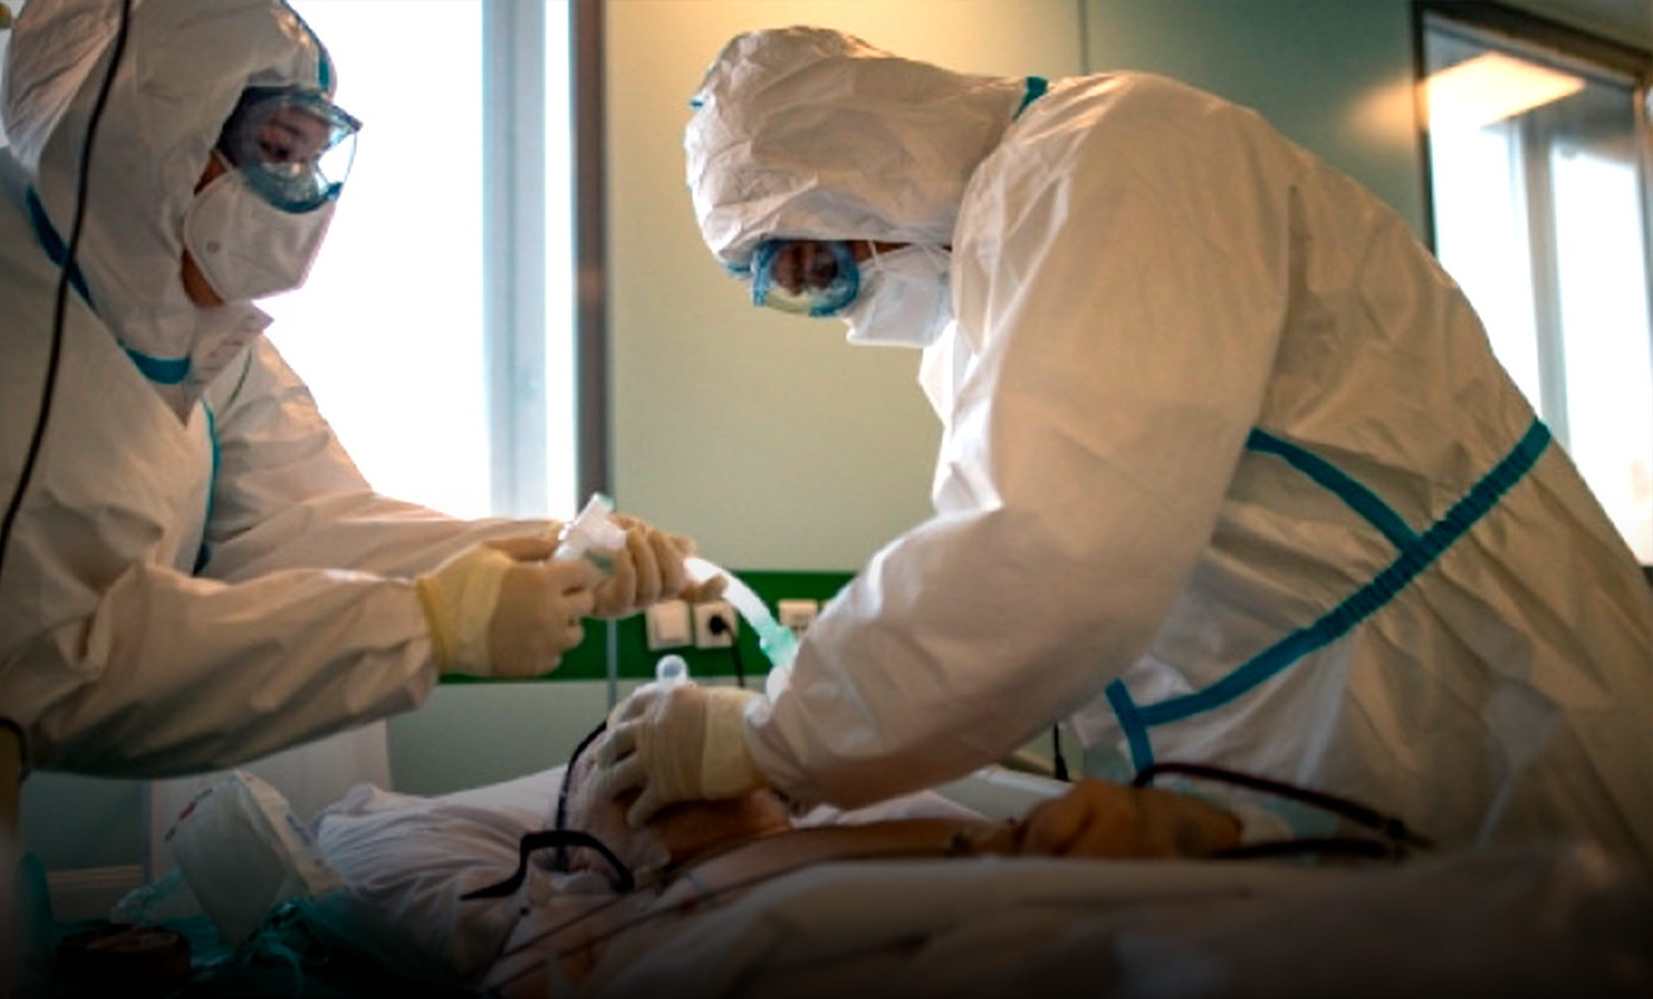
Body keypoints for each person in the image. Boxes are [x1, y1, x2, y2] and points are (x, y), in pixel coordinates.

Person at [597, 27, 1653, 865]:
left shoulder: (1108, 158)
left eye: (813, 263)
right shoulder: (991, 287)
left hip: (1469, 692)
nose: (827, 302)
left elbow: (1053, 544)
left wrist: (772, 739)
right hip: (1300, 745)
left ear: (861, 164)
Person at [0, 0, 705, 787]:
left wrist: (542, 547)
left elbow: (304, 526)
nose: (302, 194)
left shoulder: (199, 345)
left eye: (310, 157)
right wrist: (430, 625)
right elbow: (37, 662)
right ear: (145, 140)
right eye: (274, 150)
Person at [483, 719, 1242, 999]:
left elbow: (1209, 847)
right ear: (574, 845)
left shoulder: (922, 832)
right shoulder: (582, 914)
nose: (645, 747)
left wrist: (1157, 825)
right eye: (610, 755)